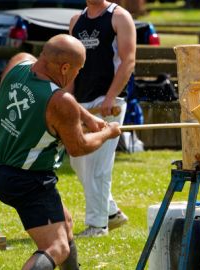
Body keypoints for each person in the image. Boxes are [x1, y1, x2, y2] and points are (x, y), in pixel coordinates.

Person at [0, 34, 121, 269]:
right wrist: (108, 133)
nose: (77, 75)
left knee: (65, 224)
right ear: (65, 67)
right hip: (28, 179)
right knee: (56, 247)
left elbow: (58, 99)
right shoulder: (60, 101)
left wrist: (87, 116)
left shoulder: (18, 65)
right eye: (78, 70)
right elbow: (78, 148)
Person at [69, 0, 136, 236]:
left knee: (99, 165)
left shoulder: (119, 17)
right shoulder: (76, 21)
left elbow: (128, 60)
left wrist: (110, 97)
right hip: (82, 103)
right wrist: (68, 102)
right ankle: (111, 212)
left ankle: (97, 226)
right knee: (77, 161)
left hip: (109, 103)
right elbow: (70, 67)